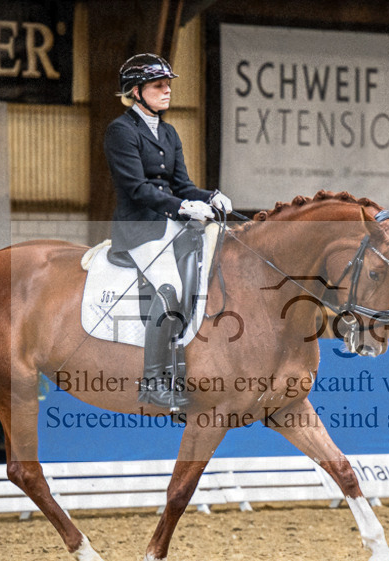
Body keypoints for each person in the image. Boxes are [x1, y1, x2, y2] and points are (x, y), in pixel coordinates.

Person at [104, 53, 232, 410]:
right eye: (159, 85)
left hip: (173, 223)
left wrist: (210, 197)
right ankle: (153, 382)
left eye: (168, 84)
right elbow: (136, 188)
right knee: (169, 287)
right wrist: (180, 206)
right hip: (140, 228)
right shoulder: (121, 131)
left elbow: (181, 184)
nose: (167, 90)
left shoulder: (170, 131)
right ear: (135, 90)